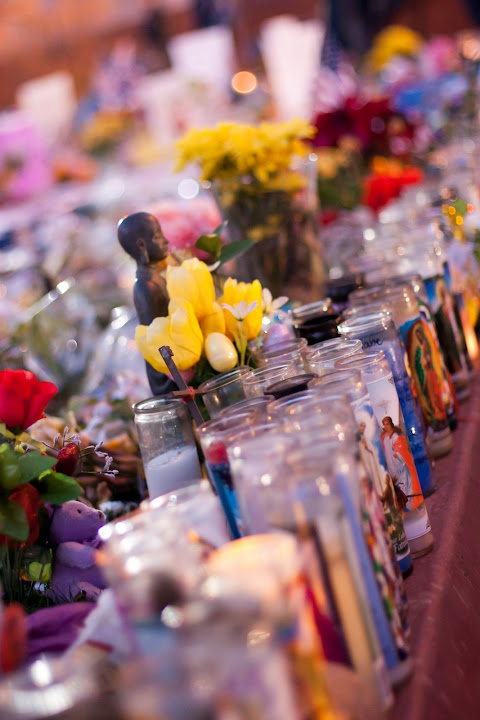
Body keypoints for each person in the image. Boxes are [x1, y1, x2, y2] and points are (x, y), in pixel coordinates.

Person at [117, 212, 175, 396]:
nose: (166, 241)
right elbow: (156, 339)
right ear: (141, 246)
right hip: (168, 370)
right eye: (158, 237)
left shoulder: (156, 276)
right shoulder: (145, 288)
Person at [380, 416, 423, 512]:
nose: (386, 426)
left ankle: (414, 505)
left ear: (391, 424)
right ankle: (403, 508)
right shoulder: (384, 437)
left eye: (387, 424)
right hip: (391, 466)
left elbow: (402, 449)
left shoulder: (396, 436)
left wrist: (398, 454)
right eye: (384, 425)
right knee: (397, 488)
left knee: (406, 485)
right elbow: (383, 450)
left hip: (400, 465)